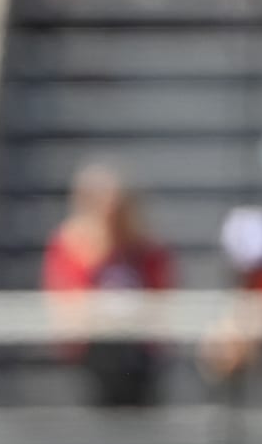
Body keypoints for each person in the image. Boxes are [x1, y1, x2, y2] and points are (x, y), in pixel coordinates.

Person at [41, 161, 173, 406]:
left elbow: (161, 300)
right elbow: (68, 307)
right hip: (92, 352)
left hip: (138, 351)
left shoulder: (148, 250)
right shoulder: (69, 246)